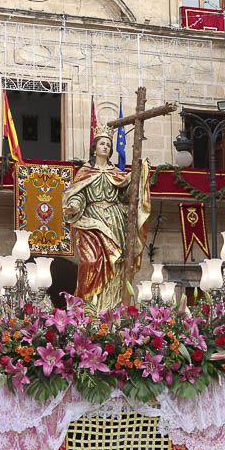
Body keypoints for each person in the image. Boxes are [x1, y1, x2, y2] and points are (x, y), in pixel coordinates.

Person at [62, 126, 151, 311]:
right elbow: (79, 194)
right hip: (91, 221)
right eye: (102, 144)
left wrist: (139, 174)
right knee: (90, 261)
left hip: (114, 221)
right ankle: (90, 307)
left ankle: (111, 306)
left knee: (117, 262)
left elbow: (126, 196)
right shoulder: (85, 172)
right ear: (95, 148)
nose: (106, 147)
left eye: (109, 145)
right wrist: (75, 205)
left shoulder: (115, 173)